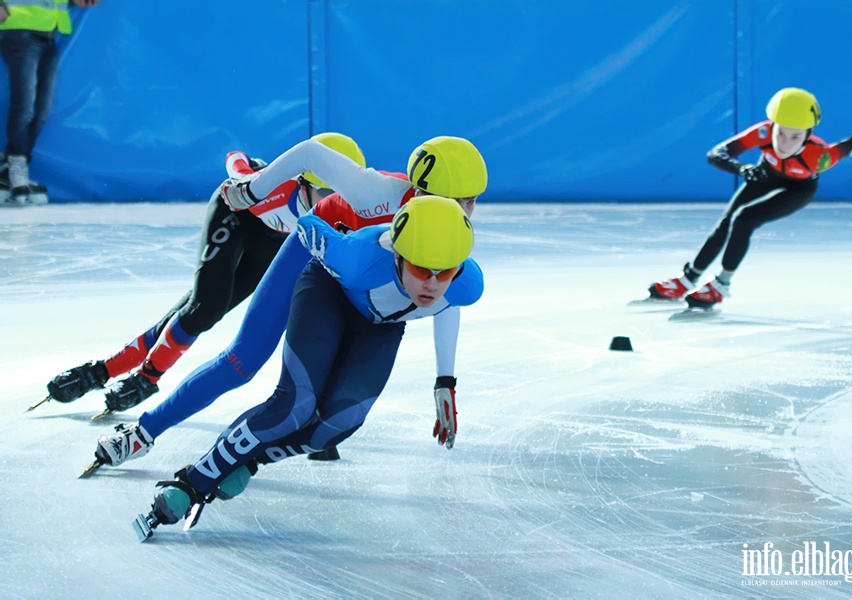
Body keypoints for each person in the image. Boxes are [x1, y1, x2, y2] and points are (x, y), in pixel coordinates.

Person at [90, 136, 487, 470]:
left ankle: (279, 441)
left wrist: (445, 379)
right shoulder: (376, 194)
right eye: (457, 201)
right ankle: (144, 432)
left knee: (338, 376)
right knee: (242, 362)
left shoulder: (448, 230)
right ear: (419, 193)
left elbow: (447, 293)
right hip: (312, 252)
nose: (464, 214)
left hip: (354, 282)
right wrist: (252, 190)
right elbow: (312, 154)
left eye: (470, 203)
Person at [133, 195, 482, 536]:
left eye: (445, 272)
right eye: (421, 268)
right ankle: (193, 482)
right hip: (327, 294)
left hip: (380, 327)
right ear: (398, 254)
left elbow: (449, 305)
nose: (432, 284)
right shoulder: (357, 258)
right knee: (294, 406)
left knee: (341, 423)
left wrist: (445, 381)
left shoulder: (468, 285)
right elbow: (307, 225)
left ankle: (251, 460)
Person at [42, 132, 367, 417]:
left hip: (272, 239)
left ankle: (105, 369)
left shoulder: (353, 207)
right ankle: (147, 377)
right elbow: (234, 161)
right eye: (327, 194)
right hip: (235, 214)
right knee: (206, 306)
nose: (335, 203)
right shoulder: (271, 186)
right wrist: (246, 165)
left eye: (343, 195)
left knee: (201, 311)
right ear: (303, 183)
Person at [648, 87, 852, 309]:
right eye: (780, 133)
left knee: (744, 219)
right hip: (766, 174)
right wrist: (741, 168)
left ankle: (722, 284)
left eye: (795, 137)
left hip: (798, 189)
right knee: (726, 221)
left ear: (807, 136)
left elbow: (851, 145)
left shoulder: (819, 157)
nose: (784, 143)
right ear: (772, 126)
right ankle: (688, 278)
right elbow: (715, 154)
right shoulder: (763, 132)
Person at [0, 0, 99, 206]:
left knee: (41, 111)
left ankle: (10, 169)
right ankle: (16, 168)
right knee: (24, 106)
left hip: (49, 35)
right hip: (20, 31)